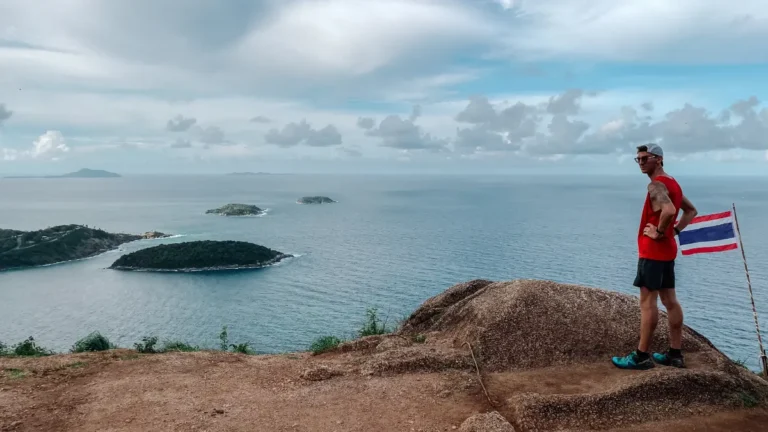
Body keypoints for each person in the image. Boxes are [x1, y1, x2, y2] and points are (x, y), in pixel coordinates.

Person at [612, 143, 698, 370]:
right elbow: (690, 210)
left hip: (653, 252)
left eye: (645, 158)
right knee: (670, 301)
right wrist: (675, 231)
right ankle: (675, 353)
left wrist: (659, 232)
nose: (641, 162)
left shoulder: (656, 185)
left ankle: (641, 356)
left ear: (658, 159)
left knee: (648, 304)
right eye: (638, 159)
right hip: (668, 251)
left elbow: (670, 211)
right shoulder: (672, 183)